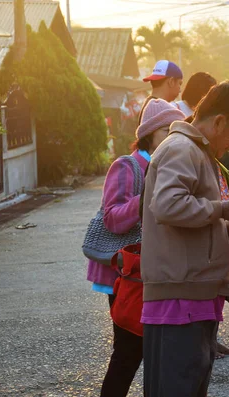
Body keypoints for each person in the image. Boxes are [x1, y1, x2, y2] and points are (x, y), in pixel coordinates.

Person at [140, 81, 229, 397]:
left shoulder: (199, 152)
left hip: (195, 294)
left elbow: (197, 215)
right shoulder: (182, 149)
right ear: (218, 122)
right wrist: (222, 208)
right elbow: (168, 205)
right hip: (179, 299)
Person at [86, 100, 185, 397]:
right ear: (150, 133)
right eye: (167, 130)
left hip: (148, 271)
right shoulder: (128, 166)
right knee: (129, 352)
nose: (172, 137)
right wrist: (146, 199)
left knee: (149, 350)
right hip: (123, 274)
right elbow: (113, 217)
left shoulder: (165, 164)